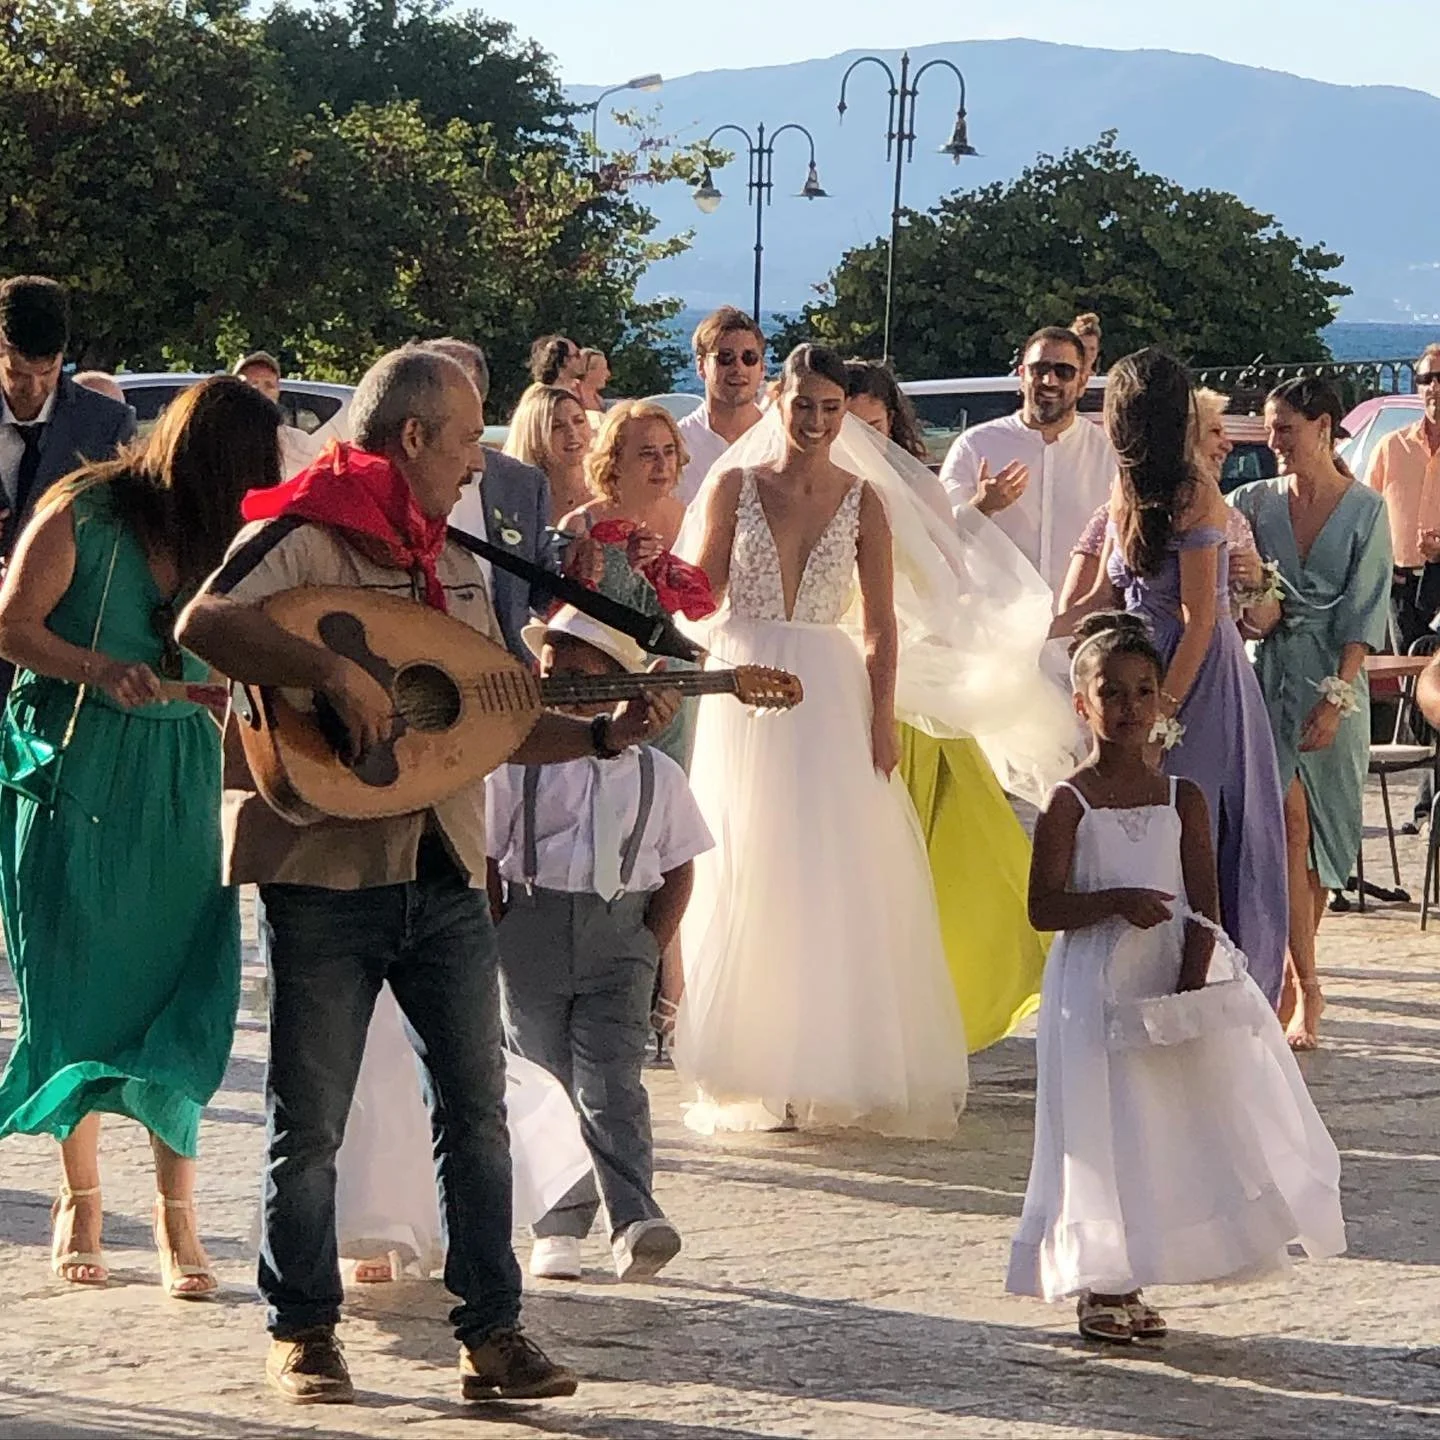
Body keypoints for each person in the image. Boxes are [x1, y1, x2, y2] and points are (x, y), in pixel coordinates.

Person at [176, 346, 677, 1406]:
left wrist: (603, 738)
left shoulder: (449, 555)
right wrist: (327, 671)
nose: (475, 461)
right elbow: (205, 622)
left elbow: (487, 716)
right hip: (323, 861)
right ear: (412, 438)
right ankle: (303, 1330)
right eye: (463, 440)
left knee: (476, 1110)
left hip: (445, 862)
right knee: (305, 1119)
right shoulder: (305, 529)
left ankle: (493, 1333)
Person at [673, 343, 1079, 1138]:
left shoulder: (865, 501)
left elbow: (883, 627)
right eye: (805, 406)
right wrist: (667, 576)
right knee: (747, 858)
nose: (819, 421)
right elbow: (703, 595)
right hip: (742, 680)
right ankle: (754, 1064)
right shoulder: (732, 485)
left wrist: (880, 723)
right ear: (779, 403)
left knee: (829, 870)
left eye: (831, 408)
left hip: (828, 688)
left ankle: (830, 1062)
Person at [0, 375, 280, 1296]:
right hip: (78, 769)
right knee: (74, 982)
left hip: (178, 777)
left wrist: (222, 690)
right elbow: (11, 626)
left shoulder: (222, 539)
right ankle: (79, 1195)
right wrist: (101, 667)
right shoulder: (86, 509)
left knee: (183, 991)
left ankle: (176, 1212)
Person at [1009, 612, 1345, 1342]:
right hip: (1094, 984)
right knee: (1099, 1123)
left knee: (1154, 1123)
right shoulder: (1069, 803)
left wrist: (1193, 978)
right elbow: (1043, 907)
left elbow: (1204, 903)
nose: (1130, 708)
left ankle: (1143, 1262)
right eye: (1114, 693)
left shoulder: (1182, 798)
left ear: (1162, 703)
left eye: (1143, 692)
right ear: (1083, 704)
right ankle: (1101, 1278)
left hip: (1164, 979)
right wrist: (1112, 905)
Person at [1056, 348, 1289, 1007]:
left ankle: (1213, 984)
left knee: (1196, 824)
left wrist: (1163, 715)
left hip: (1196, 677)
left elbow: (1200, 618)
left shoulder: (1194, 494)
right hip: (1138, 663)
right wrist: (1035, 631)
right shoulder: (1124, 491)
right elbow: (1104, 592)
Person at [489, 606, 713, 1281]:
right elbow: (487, 853)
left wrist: (650, 942)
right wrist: (501, 927)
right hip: (530, 927)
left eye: (580, 677)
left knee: (614, 1081)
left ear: (620, 688)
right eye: (550, 672)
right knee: (542, 1080)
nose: (559, 685)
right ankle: (556, 1222)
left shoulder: (659, 778)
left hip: (620, 937)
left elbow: (679, 865)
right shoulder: (517, 768)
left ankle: (634, 1216)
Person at [845, 362, 1049, 1053]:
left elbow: (950, 585)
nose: (858, 441)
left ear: (892, 426)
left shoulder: (920, 490)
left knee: (947, 857)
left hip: (917, 691)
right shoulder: (815, 491)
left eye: (870, 426)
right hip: (838, 689)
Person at [1230, 378, 1391, 1051]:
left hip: (1334, 686)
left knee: (1322, 845)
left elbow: (1367, 608)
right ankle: (1298, 985)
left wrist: (1337, 698)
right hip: (1267, 680)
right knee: (1284, 829)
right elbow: (1240, 597)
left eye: (1285, 428)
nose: (1273, 442)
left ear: (1323, 426)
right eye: (1270, 428)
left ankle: (1299, 980)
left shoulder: (1366, 509)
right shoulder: (1252, 502)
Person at [1058, 389, 1273, 620]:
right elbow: (1075, 605)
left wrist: (1258, 583)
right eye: (1215, 431)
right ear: (1186, 438)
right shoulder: (1120, 512)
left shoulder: (1232, 521)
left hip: (1212, 651)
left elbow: (1262, 624)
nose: (1227, 445)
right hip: (1137, 650)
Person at [940, 326, 1118, 597]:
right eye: (1039, 369)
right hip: (994, 623)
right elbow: (938, 536)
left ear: (1082, 381)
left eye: (1064, 372)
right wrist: (981, 507)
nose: (1050, 380)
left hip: (1078, 625)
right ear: (1023, 375)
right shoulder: (975, 445)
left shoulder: (1108, 454)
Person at [427, 338, 557, 662]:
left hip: (503, 675)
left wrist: (573, 567)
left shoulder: (522, 483)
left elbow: (538, 591)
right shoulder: (393, 477)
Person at [0, 276, 135, 565]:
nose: (34, 389)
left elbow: (122, 536)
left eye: (47, 372)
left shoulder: (108, 425)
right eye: (18, 375)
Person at [1366, 343, 1440, 831]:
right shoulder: (1393, 446)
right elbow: (1368, 513)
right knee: (1416, 692)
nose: (1432, 388)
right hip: (1403, 580)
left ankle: (1430, 804)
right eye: (1424, 379)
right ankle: (1427, 799)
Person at [676, 307, 767, 505]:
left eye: (749, 358)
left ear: (762, 368)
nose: (738, 367)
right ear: (701, 366)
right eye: (725, 357)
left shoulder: (780, 440)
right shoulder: (676, 445)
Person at [504, 381, 593, 524]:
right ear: (534, 437)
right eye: (556, 426)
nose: (572, 432)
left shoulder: (609, 489)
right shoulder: (517, 501)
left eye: (579, 421)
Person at [232, 350, 321, 479]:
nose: (260, 391)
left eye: (269, 385)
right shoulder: (217, 440)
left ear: (278, 393)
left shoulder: (299, 442)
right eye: (251, 384)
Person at [843, 360, 930, 461]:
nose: (863, 443)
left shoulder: (910, 475)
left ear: (889, 422)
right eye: (848, 432)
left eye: (873, 430)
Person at [576, 348, 610, 416]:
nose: (608, 374)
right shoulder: (571, 396)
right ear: (588, 371)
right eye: (603, 369)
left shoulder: (600, 401)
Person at [1071, 312, 1102, 383]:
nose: (1087, 354)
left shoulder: (1105, 383)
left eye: (1092, 349)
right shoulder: (1059, 381)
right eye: (1082, 348)